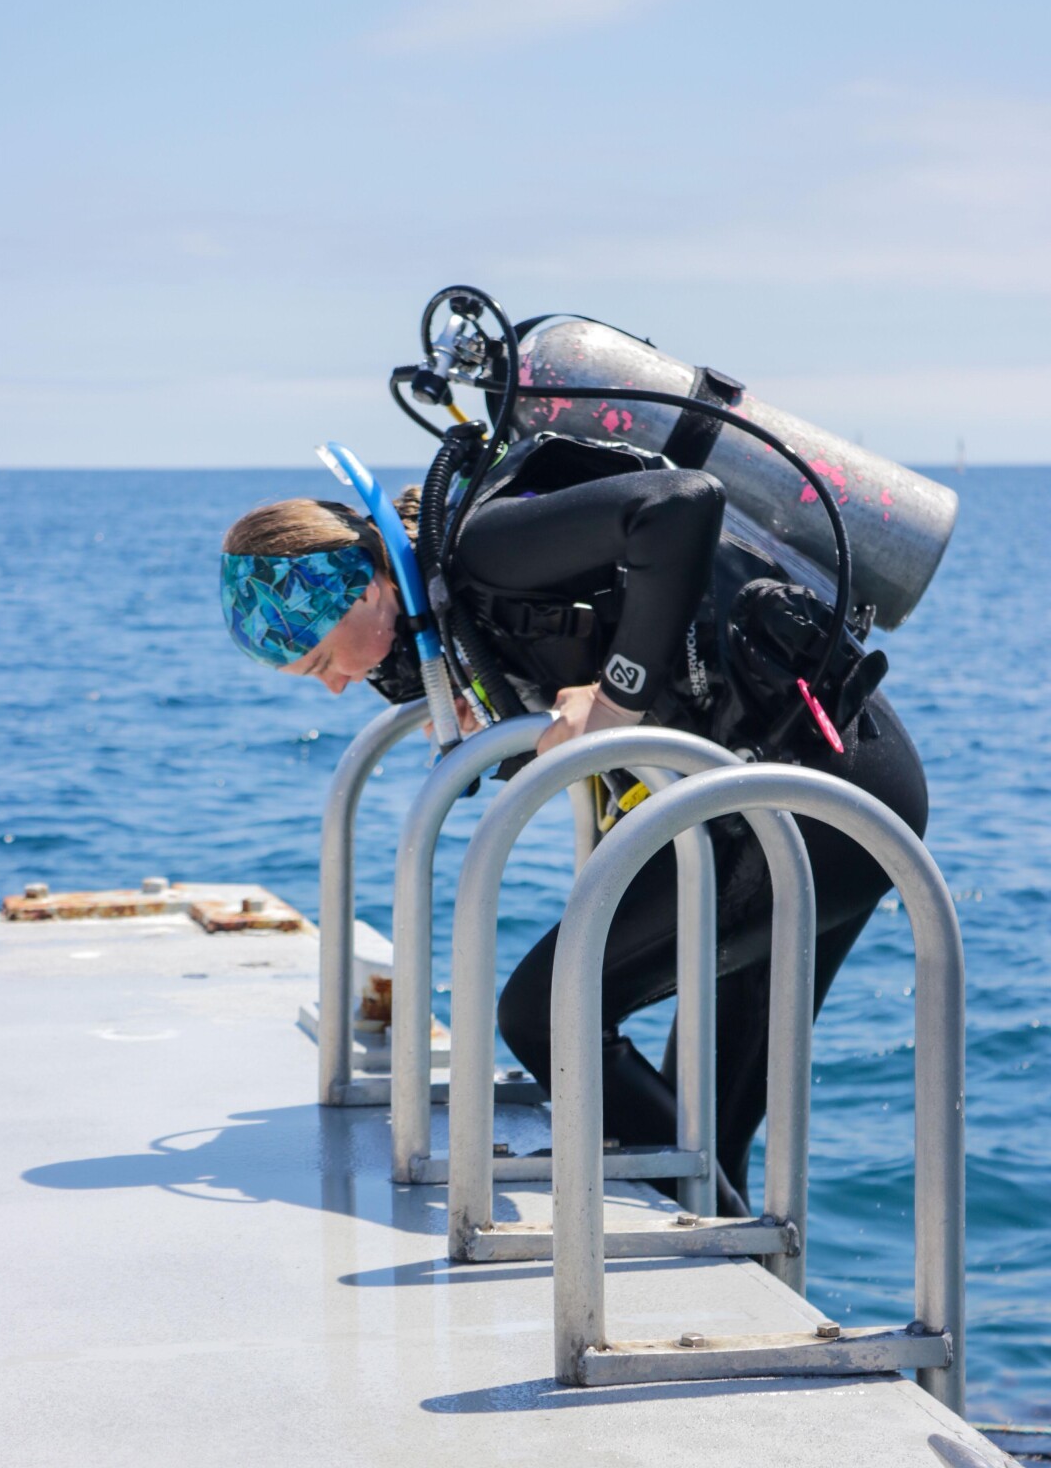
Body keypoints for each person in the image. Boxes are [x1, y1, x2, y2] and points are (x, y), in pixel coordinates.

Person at [221, 460, 928, 1214]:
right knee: (705, 1126)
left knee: (547, 1011)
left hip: (818, 805)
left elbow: (680, 503)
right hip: (798, 796)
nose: (334, 685)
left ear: (364, 588)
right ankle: (730, 1251)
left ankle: (723, 1235)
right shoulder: (458, 603)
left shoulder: (483, 547)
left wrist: (618, 701)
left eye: (321, 660)